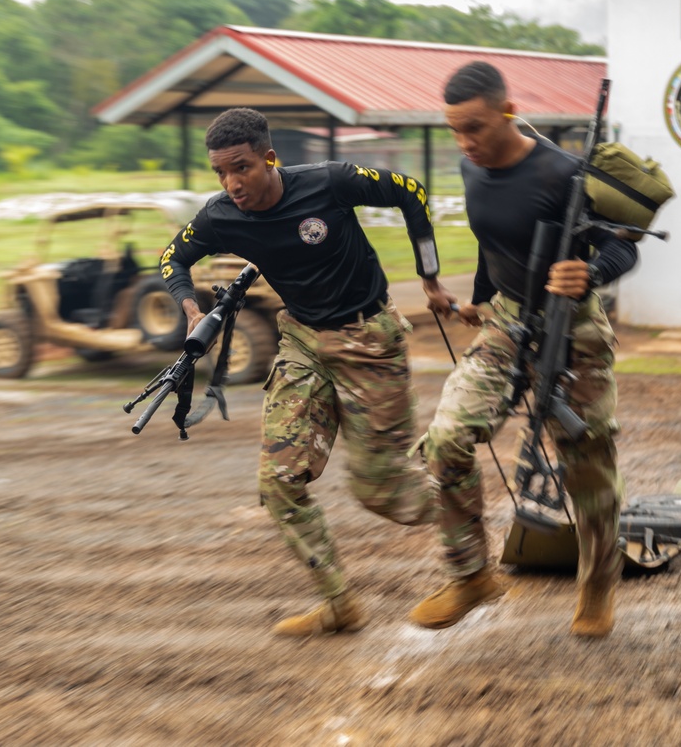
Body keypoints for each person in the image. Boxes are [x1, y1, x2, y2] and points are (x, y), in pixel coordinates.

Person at [160, 107, 456, 637]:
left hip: (369, 339)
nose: (233, 183)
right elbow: (171, 259)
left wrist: (429, 277)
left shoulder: (329, 182)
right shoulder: (219, 215)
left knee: (383, 490)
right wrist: (189, 309)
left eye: (243, 168)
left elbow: (410, 190)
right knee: (278, 483)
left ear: (268, 158)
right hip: (301, 343)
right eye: (221, 173)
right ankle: (339, 603)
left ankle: (467, 516)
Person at [408, 61, 639, 637]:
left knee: (588, 456)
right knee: (446, 440)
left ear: (508, 111)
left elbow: (626, 249)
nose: (466, 143)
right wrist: (479, 303)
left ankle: (597, 583)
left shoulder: (564, 174)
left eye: (477, 128)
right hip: (508, 319)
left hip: (574, 322)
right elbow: (491, 243)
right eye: (456, 130)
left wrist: (589, 271)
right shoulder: (470, 169)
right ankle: (471, 576)